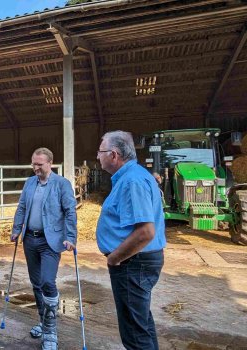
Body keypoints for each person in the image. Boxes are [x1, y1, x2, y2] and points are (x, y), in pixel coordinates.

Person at [95, 131, 166, 350]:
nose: (98, 156)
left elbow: (145, 232)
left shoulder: (132, 181)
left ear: (114, 155)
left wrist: (115, 258)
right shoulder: (131, 176)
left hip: (132, 263)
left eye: (101, 151)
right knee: (140, 323)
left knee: (134, 333)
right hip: (136, 262)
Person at [11, 147, 77, 350]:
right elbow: (22, 206)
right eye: (33, 163)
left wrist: (70, 236)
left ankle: (50, 330)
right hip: (30, 239)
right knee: (36, 283)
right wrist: (16, 229)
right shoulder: (30, 182)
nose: (35, 168)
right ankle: (43, 320)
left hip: (51, 242)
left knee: (47, 281)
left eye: (39, 164)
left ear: (50, 163)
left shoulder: (61, 184)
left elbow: (70, 211)